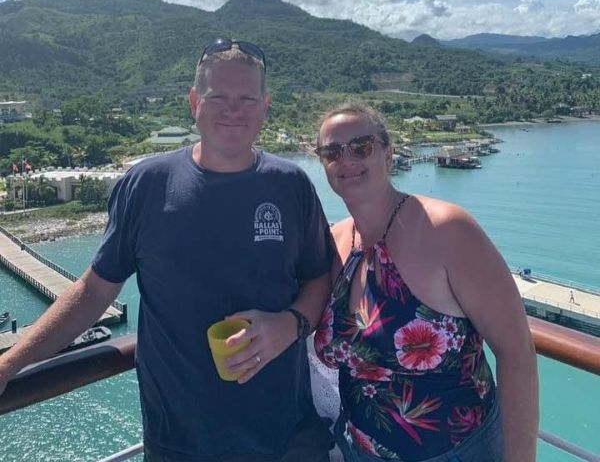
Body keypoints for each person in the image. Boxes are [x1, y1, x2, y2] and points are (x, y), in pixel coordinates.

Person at [0, 39, 335, 462]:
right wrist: (9, 364)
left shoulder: (291, 185)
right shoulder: (146, 185)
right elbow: (93, 293)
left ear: (265, 106)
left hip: (287, 435)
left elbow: (318, 276)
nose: (233, 110)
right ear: (194, 102)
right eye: (218, 97)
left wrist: (291, 323)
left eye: (247, 99)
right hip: (179, 441)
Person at [313, 102, 539, 462]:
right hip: (359, 448)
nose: (347, 160)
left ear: (388, 154)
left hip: (459, 452)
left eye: (362, 147)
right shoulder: (335, 244)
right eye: (332, 152)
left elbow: (517, 352)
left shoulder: (447, 231)